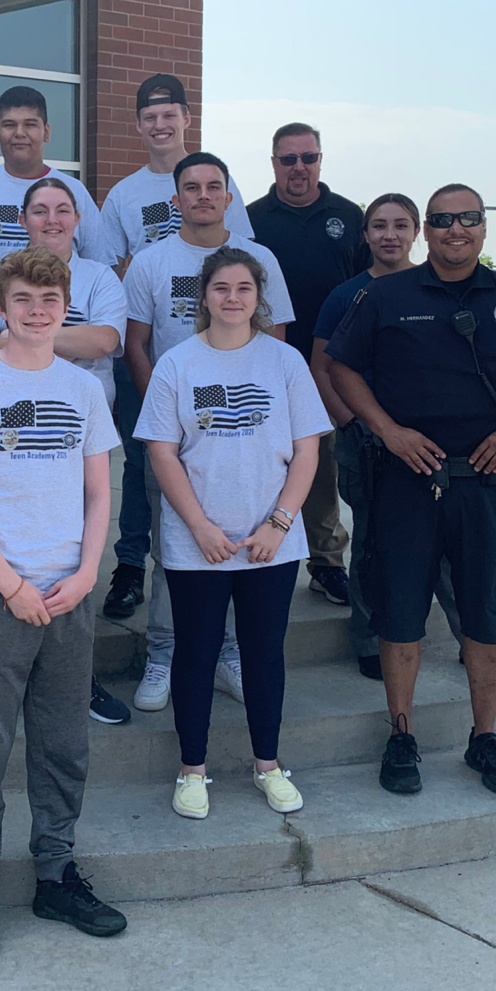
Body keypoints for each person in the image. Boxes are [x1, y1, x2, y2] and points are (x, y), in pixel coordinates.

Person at [326, 185, 496, 798]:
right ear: (428, 231)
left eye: (467, 219)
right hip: (405, 483)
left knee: (488, 616)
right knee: (399, 613)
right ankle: (401, 734)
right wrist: (387, 431)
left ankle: (484, 737)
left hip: (488, 485)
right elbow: (340, 366)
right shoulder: (386, 296)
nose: (455, 229)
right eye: (442, 220)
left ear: (483, 228)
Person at [0, 245, 127, 960]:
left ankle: (55, 871)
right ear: (2, 307)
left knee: (63, 742)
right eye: (23, 300)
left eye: (50, 301)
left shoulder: (83, 389)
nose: (38, 311)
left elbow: (100, 491)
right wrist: (10, 583)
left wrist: (87, 574)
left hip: (68, 591)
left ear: (65, 307)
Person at [312, 194, 496, 684]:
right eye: (379, 226)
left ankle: (479, 641)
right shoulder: (349, 295)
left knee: (457, 556)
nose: (390, 235)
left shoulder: (446, 289)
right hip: (375, 445)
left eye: (401, 225)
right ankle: (372, 639)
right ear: (365, 235)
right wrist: (357, 427)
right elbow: (326, 367)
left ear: (417, 232)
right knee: (375, 547)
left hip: (447, 457)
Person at [137, 247, 329, 820]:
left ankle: (268, 765)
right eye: (221, 288)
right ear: (204, 296)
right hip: (197, 542)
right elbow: (162, 453)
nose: (232, 298)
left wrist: (279, 523)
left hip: (271, 542)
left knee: (264, 654)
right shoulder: (177, 364)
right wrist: (199, 526)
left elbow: (307, 450)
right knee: (195, 654)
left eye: (244, 288)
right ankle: (192, 770)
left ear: (258, 297)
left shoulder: (285, 361)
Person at [123, 152, 294, 714]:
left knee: (242, 544)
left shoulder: (260, 258)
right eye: (191, 187)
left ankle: (229, 654)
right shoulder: (150, 262)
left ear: (228, 197)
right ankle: (163, 653)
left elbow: (277, 345)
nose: (202, 195)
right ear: (175, 200)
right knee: (173, 547)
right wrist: (164, 421)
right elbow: (136, 345)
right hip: (177, 440)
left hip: (247, 436)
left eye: (213, 186)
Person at [0, 177, 132, 727]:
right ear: (23, 219)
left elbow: (106, 341)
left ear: (78, 219)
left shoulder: (100, 277)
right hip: (9, 432)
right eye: (40, 210)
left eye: (63, 210)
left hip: (78, 435)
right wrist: (51, 337)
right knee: (14, 546)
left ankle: (79, 680)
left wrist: (24, 337)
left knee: (75, 559)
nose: (52, 220)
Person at [98, 73, 253, 622]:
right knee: (142, 466)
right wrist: (153, 385)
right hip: (150, 360)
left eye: (170, 114)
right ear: (139, 125)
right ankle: (129, 566)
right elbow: (112, 267)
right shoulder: (124, 194)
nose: (160, 125)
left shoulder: (218, 181)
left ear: (187, 118)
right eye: (150, 116)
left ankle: (220, 556)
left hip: (224, 365)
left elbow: (246, 262)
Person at [245, 122, 368, 608]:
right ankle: (250, 555)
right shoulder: (251, 219)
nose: (299, 168)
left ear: (320, 160)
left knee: (321, 465)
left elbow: (368, 286)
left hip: (327, 366)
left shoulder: (350, 216)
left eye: (308, 157)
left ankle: (327, 563)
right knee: (259, 460)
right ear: (274, 163)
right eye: (288, 159)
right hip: (260, 361)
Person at [0, 85, 109, 285]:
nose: (19, 133)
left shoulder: (74, 191)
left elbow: (101, 269)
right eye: (9, 124)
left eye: (30, 124)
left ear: (46, 132)